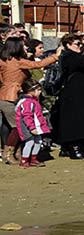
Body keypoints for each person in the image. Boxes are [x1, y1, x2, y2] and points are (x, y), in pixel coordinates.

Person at [0, 36, 60, 165]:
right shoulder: (17, 61)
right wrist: (55, 56)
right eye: (23, 45)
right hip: (12, 96)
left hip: (4, 94)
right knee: (17, 127)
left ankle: (17, 152)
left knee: (7, 126)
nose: (26, 48)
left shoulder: (4, 60)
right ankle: (8, 153)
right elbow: (37, 64)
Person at [14, 80, 50, 168]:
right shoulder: (27, 102)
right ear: (31, 91)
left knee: (38, 141)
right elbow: (27, 116)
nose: (40, 92)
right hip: (27, 126)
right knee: (29, 142)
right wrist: (32, 128)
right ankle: (24, 160)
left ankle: (33, 159)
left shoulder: (33, 101)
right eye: (38, 90)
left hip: (34, 125)